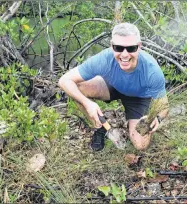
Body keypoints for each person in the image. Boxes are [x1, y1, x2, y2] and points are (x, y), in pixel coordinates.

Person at [58, 22, 169, 151]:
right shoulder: (104, 59)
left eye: (131, 48)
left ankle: (132, 125)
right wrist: (88, 104)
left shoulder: (151, 70)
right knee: (78, 87)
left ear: (139, 47)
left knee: (141, 145)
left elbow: (164, 105)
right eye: (119, 48)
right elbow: (64, 80)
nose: (125, 54)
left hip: (138, 98)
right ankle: (100, 127)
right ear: (112, 46)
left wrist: (158, 118)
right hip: (111, 87)